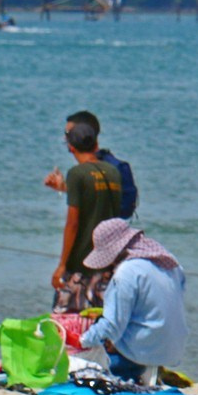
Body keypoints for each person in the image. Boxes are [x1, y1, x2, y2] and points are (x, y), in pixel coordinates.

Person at [79, 218, 188, 383]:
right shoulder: (171, 264)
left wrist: (81, 341)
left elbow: (112, 326)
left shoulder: (127, 272)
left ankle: (129, 370)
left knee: (88, 359)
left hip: (141, 353)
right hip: (172, 350)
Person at [51, 121, 123, 312]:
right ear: (96, 145)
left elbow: (73, 223)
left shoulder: (76, 174)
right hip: (108, 263)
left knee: (65, 325)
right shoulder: (113, 172)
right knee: (103, 323)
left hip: (81, 264)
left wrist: (62, 265)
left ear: (71, 147)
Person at [45, 111, 139, 219]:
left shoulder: (113, 167)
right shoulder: (89, 168)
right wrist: (65, 188)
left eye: (68, 133)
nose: (65, 138)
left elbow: (119, 209)